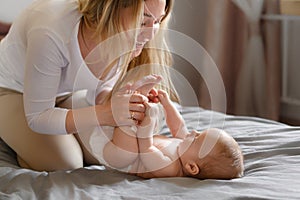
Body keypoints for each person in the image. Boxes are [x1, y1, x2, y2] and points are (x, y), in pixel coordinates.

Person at [0, 0, 178, 171]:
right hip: (11, 90)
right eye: (143, 21)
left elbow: (101, 88)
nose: (150, 34)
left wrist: (126, 102)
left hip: (66, 93)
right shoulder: (50, 29)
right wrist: (107, 114)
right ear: (111, 9)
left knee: (117, 151)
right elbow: (38, 117)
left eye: (157, 21)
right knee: (65, 163)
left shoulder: (125, 36)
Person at [88, 83, 244, 179]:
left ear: (192, 167)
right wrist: (168, 105)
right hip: (129, 139)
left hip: (118, 156)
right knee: (154, 115)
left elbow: (146, 149)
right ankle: (128, 106)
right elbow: (178, 126)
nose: (194, 131)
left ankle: (125, 115)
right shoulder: (184, 147)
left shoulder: (171, 167)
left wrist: (145, 128)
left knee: (129, 151)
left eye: (197, 138)